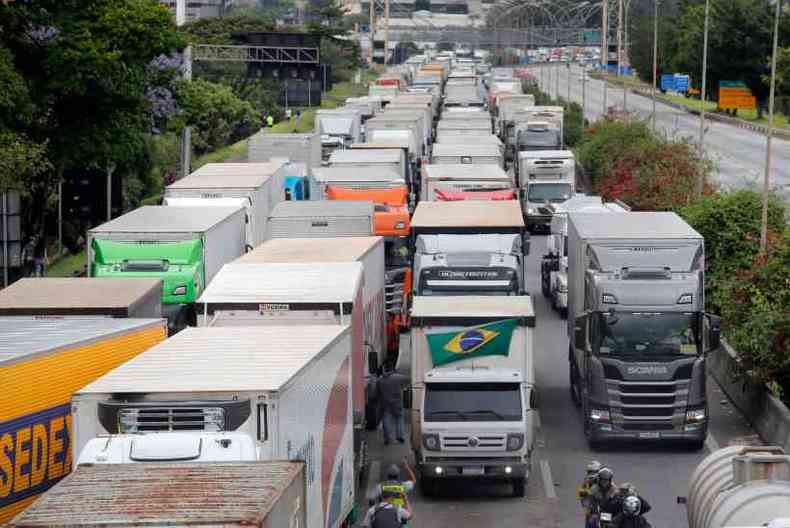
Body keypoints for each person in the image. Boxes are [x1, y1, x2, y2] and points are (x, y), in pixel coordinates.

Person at [376, 363, 409, 444]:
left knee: (386, 419)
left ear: (384, 369)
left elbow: (377, 393)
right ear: (392, 369)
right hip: (397, 403)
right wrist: (402, 386)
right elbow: (409, 380)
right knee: (399, 418)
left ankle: (387, 438)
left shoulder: (380, 380)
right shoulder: (398, 377)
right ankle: (399, 436)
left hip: (385, 403)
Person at [578, 460, 602, 527]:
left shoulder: (605, 480)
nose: (592, 474)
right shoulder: (586, 481)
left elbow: (613, 490)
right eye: (590, 472)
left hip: (604, 508)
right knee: (590, 521)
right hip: (592, 509)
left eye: (595, 471)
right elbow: (581, 495)